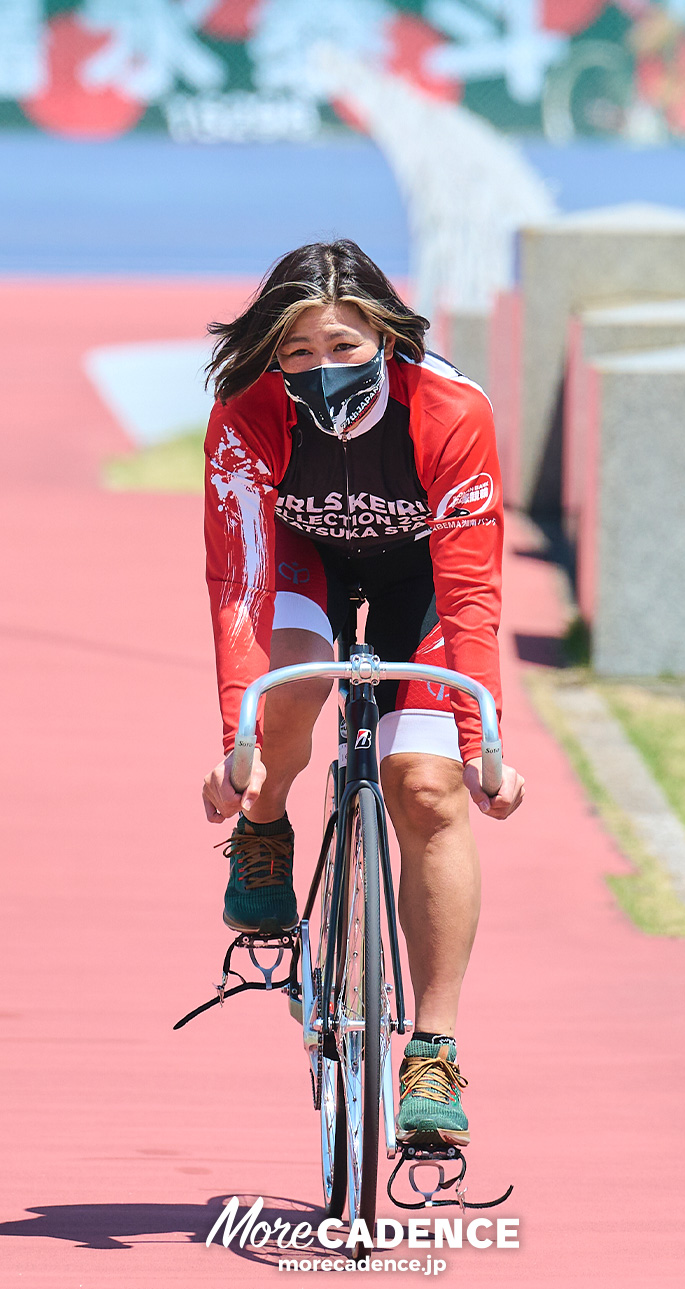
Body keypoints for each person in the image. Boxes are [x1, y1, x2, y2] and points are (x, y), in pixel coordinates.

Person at [198, 239, 525, 1148]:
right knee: (290, 698)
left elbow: (470, 591)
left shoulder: (451, 408)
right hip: (304, 563)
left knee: (426, 787)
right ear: (270, 355)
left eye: (344, 347)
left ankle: (433, 1048)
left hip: (422, 578)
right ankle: (265, 827)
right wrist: (240, 741)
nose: (321, 369)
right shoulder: (247, 413)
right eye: (296, 352)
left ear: (386, 334)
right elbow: (241, 581)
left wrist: (481, 743)